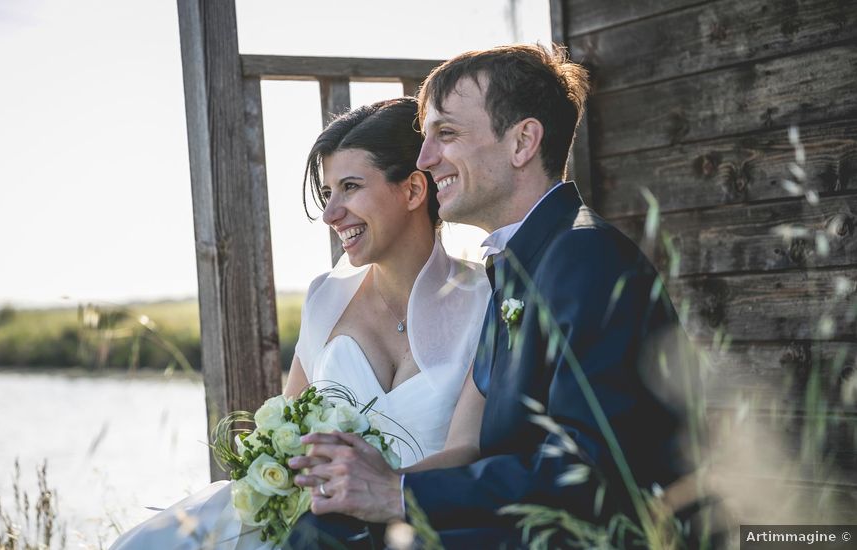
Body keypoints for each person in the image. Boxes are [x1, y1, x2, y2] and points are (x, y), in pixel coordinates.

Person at [286, 44, 707, 549]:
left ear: (523, 142)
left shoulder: (585, 257)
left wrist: (397, 493)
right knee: (326, 529)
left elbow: (587, 475)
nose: (424, 159)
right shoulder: (515, 265)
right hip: (523, 526)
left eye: (446, 134)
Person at [108, 97, 491, 550]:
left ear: (412, 191)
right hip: (311, 526)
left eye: (350, 186)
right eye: (329, 193)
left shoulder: (487, 301)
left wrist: (378, 488)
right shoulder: (326, 297)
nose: (331, 213)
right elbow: (281, 432)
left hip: (419, 530)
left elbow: (468, 453)